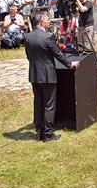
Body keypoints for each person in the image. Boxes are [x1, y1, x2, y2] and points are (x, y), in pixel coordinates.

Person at [25, 10, 79, 142]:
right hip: (47, 76)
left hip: (34, 75)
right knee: (49, 104)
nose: (49, 23)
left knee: (38, 103)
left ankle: (39, 132)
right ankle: (48, 134)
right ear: (42, 22)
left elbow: (28, 57)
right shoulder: (47, 37)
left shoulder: (28, 36)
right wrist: (70, 64)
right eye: (48, 20)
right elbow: (58, 55)